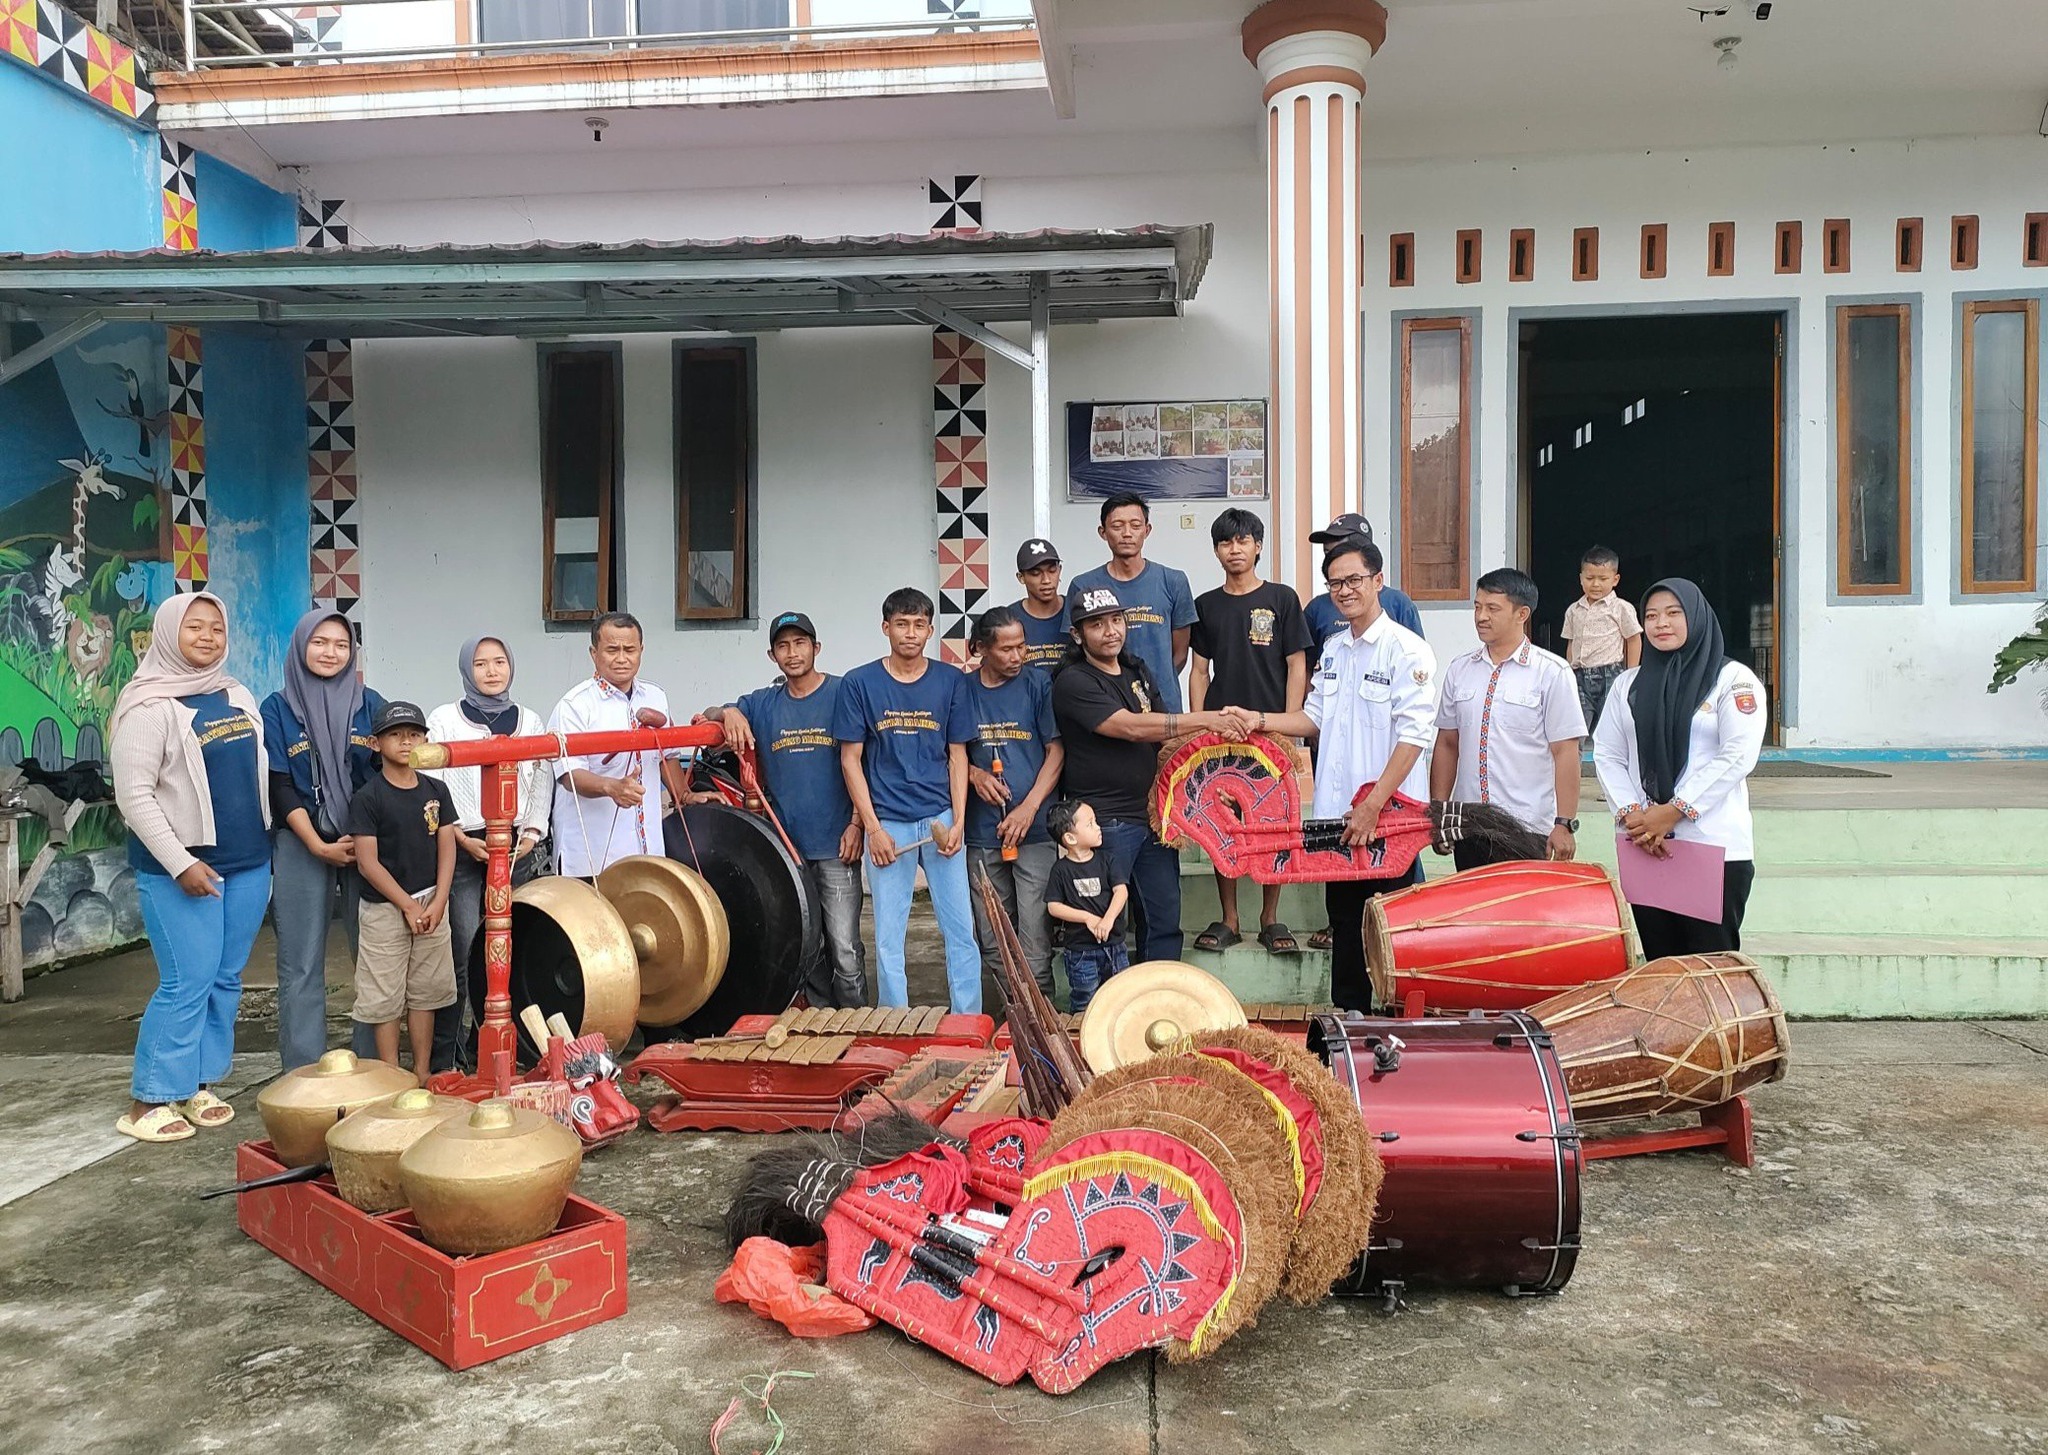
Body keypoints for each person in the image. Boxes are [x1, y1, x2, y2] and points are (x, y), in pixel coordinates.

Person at [1243, 539, 1437, 1012]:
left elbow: (1414, 737)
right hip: (1338, 819)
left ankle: (1393, 1027)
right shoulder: (1333, 649)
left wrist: (1373, 805)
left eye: (1354, 580)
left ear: (1378, 581)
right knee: (1345, 925)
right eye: (1335, 584)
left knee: (1390, 931)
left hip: (1387, 821)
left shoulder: (1406, 651)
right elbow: (1313, 719)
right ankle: (1349, 1024)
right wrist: (1258, 720)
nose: (1344, 591)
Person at [109, 593, 271, 1143]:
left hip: (248, 862)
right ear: (168, 633)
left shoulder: (235, 693)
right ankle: (149, 1099)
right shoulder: (147, 706)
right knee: (187, 980)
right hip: (181, 870)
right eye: (194, 627)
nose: (207, 637)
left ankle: (199, 1082)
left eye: (216, 628)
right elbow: (134, 796)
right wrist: (180, 863)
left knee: (225, 979)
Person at [1050, 585, 1240, 964]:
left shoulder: (1137, 670)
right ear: (1077, 634)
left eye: (1116, 620)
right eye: (1097, 624)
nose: (1111, 631)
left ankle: (1157, 992)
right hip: (1104, 823)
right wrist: (1207, 719)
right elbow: (1132, 727)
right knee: (1105, 926)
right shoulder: (1073, 681)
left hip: (1154, 815)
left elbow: (1167, 741)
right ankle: (1109, 997)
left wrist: (1208, 783)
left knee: (1164, 919)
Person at [1592, 578, 1766, 960]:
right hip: (1644, 843)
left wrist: (1674, 811)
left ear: (1697, 617)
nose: (1661, 623)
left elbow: (1738, 753)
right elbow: (1607, 753)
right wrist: (1633, 815)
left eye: (1673, 613)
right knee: (1661, 965)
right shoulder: (1628, 685)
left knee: (1709, 966)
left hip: (1711, 844)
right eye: (1651, 616)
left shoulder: (1732, 680)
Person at [705, 611, 867, 1009]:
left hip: (837, 844)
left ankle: (857, 1022)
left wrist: (857, 824)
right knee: (809, 946)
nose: (792, 653)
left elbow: (864, 763)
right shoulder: (762, 703)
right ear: (772, 655)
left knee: (845, 947)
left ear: (816, 648)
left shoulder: (843, 693)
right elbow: (709, 716)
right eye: (783, 646)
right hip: (787, 850)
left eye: (800, 644)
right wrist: (728, 712)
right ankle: (822, 1022)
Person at [833, 588, 982, 1013]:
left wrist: (958, 822)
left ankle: (966, 1021)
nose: (910, 633)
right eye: (901, 624)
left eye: (919, 625)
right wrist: (872, 829)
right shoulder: (860, 683)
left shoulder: (951, 681)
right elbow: (850, 760)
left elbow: (957, 755)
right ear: (886, 628)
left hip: (941, 819)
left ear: (931, 630)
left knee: (961, 932)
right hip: (889, 825)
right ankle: (895, 1024)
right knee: (888, 937)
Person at [263, 608, 384, 1072]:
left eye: (340, 644)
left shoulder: (370, 705)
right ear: (300, 647)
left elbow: (386, 775)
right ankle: (302, 1071)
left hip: (366, 842)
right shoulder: (276, 709)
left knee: (372, 956)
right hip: (301, 841)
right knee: (301, 962)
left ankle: (373, 1066)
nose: (330, 653)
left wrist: (364, 836)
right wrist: (316, 843)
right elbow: (279, 784)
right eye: (319, 642)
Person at [1188, 507, 1312, 955]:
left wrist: (1289, 728)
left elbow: (1296, 665)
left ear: (1258, 546)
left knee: (1273, 824)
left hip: (1269, 730)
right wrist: (1199, 729)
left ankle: (1269, 918)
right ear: (1216, 550)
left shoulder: (1281, 598)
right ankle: (1230, 919)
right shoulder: (1206, 605)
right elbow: (1199, 671)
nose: (1234, 549)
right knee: (1223, 822)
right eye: (1225, 542)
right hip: (1222, 734)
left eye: (1242, 541)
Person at [423, 635, 552, 1063]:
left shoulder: (530, 720)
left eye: (499, 662)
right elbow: (434, 786)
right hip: (463, 846)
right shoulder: (444, 719)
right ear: (466, 669)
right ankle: (450, 1053)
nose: (492, 671)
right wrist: (461, 836)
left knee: (514, 949)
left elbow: (541, 778)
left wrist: (531, 834)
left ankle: (507, 1047)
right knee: (462, 950)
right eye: (480, 664)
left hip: (517, 850)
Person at [1431, 567, 1587, 869]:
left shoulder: (1551, 673)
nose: (1481, 617)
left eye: (1493, 608)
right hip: (1469, 825)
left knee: (1522, 901)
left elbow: (1565, 752)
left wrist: (1564, 822)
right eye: (1477, 607)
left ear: (1522, 614)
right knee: (1473, 900)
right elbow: (1447, 743)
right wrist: (1439, 812)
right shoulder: (1460, 669)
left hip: (1526, 827)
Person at [345, 701, 459, 1081]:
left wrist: (439, 900)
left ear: (426, 740)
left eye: (414, 734)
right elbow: (368, 862)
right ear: (376, 743)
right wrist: (407, 905)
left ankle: (421, 1073)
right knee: (385, 995)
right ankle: (392, 1076)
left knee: (426, 992)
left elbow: (447, 847)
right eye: (395, 735)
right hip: (385, 907)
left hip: (431, 902)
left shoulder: (436, 790)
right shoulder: (368, 797)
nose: (406, 742)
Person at [959, 606, 1065, 1002]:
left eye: (1022, 646)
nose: (1017, 656)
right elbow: (948, 752)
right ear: (980, 649)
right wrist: (975, 775)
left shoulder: (1038, 684)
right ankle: (1013, 1013)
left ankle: (1042, 1018)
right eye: (1006, 649)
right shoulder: (961, 690)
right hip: (982, 832)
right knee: (992, 935)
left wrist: (1028, 808)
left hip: (1034, 831)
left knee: (1035, 937)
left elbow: (1056, 752)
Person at [548, 612, 688, 880]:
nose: (622, 658)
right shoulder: (574, 705)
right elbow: (569, 774)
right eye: (612, 650)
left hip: (648, 851)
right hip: (591, 856)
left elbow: (667, 757)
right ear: (594, 653)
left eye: (629, 650)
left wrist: (685, 794)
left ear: (641, 650)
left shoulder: (656, 697)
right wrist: (611, 787)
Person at [1069, 493, 1198, 711]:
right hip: (1107, 706)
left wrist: (1152, 686)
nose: (1127, 533)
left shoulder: (1173, 581)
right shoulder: (1083, 585)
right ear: (1103, 532)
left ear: (1147, 530)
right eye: (1117, 526)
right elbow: (1078, 652)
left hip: (1164, 706)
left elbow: (1180, 654)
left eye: (1135, 525)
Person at [1043, 798, 1129, 1013]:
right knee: (1085, 1000)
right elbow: (1054, 906)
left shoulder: (1107, 860)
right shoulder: (1060, 870)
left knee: (1122, 996)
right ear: (1070, 838)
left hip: (1114, 945)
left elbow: (1121, 891)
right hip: (1081, 951)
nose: (1098, 827)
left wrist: (1108, 920)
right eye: (1090, 824)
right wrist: (1087, 918)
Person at [1302, 514, 1425, 645]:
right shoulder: (1317, 609)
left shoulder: (1398, 603)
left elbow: (1414, 647)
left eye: (1341, 551)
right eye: (1327, 553)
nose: (1345, 592)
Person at [1561, 545, 1643, 733]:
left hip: (1611, 675)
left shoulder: (1621, 608)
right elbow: (1571, 642)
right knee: (1576, 728)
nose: (1595, 584)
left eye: (1603, 579)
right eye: (1590, 578)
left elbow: (1633, 639)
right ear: (1581, 578)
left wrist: (1630, 675)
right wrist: (1569, 670)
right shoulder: (1573, 610)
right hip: (1580, 676)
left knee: (1610, 729)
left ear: (1615, 580)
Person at [1010, 537, 1070, 674]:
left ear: (1060, 570)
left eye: (1052, 570)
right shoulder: (1008, 619)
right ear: (1021, 577)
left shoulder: (1076, 610)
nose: (1046, 580)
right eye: (1036, 573)